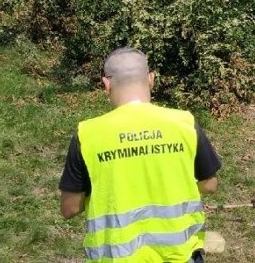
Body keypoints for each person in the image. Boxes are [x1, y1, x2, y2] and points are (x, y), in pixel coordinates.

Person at [59, 47, 221, 262]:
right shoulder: (184, 123)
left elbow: (69, 208)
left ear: (106, 84)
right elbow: (210, 185)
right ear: (151, 79)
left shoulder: (88, 134)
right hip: (179, 256)